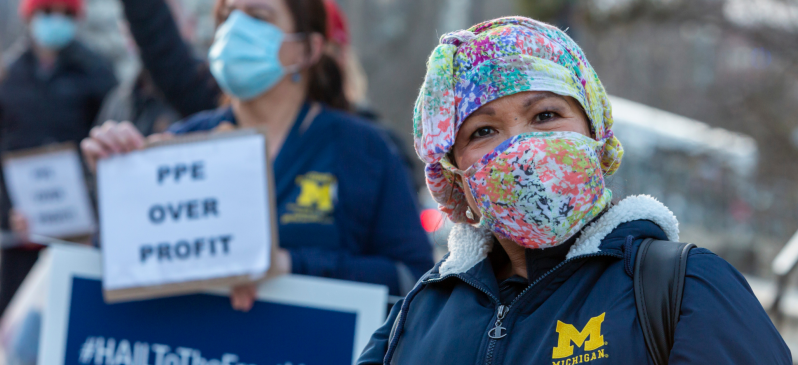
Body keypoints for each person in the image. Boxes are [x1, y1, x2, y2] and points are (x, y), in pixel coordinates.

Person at [357, 17, 791, 364]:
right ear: (455, 175)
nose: (522, 147)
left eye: (545, 115)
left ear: (595, 131)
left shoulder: (684, 288)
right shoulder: (420, 314)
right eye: (484, 130)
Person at [80, 0, 434, 311]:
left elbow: (412, 279)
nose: (237, 28)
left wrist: (289, 264)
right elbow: (117, 266)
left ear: (307, 50)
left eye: (258, 16)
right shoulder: (184, 141)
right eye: (229, 14)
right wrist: (121, 185)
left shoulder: (364, 150)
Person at [0, 0, 117, 317]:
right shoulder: (7, 73)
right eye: (47, 11)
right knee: (14, 324)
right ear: (31, 15)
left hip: (75, 232)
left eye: (67, 14)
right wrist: (9, 208)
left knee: (67, 318)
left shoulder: (97, 72)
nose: (56, 21)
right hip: (17, 230)